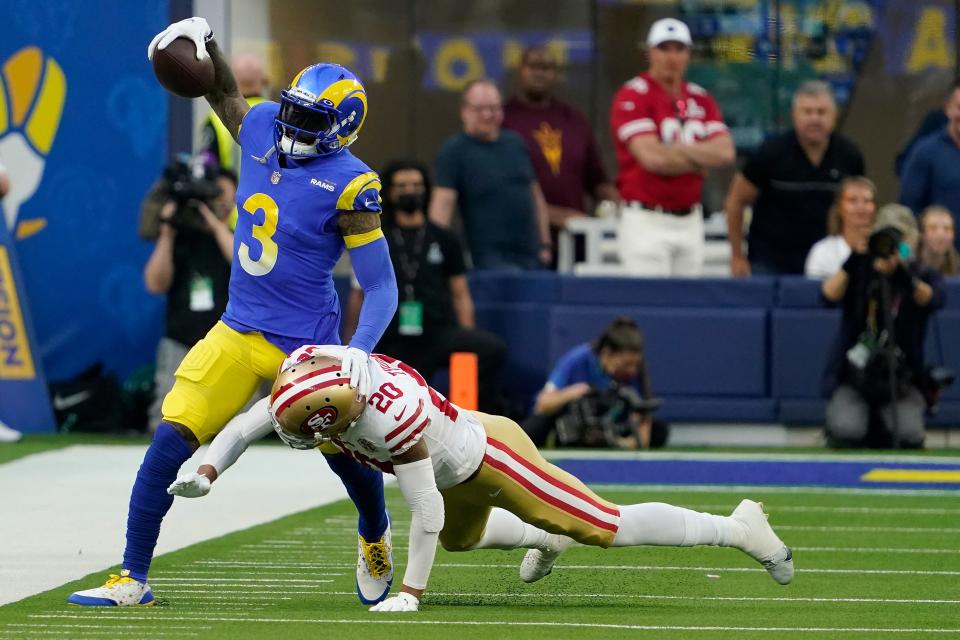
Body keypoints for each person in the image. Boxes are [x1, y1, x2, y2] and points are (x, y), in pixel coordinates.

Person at [68, 17, 398, 607]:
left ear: (340, 131)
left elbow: (381, 287)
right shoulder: (264, 124)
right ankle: (132, 577)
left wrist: (356, 356)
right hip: (237, 328)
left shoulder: (352, 185)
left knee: (344, 460)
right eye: (292, 109)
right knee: (169, 440)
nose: (292, 123)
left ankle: (374, 531)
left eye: (310, 120)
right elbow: (220, 92)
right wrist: (205, 41)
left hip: (306, 349)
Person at [169, 345, 794, 614]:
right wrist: (206, 468)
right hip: (453, 460)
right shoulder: (317, 370)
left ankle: (738, 527)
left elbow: (424, 508)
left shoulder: (388, 421)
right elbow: (250, 421)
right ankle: (543, 538)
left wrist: (410, 592)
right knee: (463, 543)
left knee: (604, 526)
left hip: (491, 455)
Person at [346, 160, 508, 413]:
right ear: (388, 191)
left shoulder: (444, 237)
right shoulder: (377, 237)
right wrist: (352, 342)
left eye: (416, 185)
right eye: (402, 186)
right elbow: (359, 293)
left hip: (438, 332)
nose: (410, 191)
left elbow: (460, 294)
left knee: (491, 348)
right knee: (399, 396)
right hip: (392, 336)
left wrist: (466, 332)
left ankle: (461, 414)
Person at [609, 18, 735, 277]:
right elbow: (653, 159)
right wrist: (700, 159)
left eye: (679, 49)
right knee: (650, 303)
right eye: (664, 48)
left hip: (691, 218)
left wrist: (676, 148)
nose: (671, 56)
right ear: (650, 52)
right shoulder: (633, 94)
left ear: (688, 54)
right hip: (646, 218)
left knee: (686, 306)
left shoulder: (700, 97)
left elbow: (725, 152)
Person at [821, 205, 945, 449]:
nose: (893, 245)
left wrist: (902, 273)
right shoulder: (859, 270)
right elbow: (826, 296)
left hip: (901, 380)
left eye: (900, 238)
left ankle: (881, 427)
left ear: (913, 239)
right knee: (846, 432)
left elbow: (932, 299)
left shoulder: (922, 274)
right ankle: (856, 422)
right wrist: (854, 259)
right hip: (856, 375)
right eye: (887, 237)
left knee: (909, 437)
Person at [726, 81, 866, 276]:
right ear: (794, 115)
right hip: (770, 261)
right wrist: (737, 257)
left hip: (828, 260)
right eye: (807, 112)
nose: (814, 118)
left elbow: (860, 207)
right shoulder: (770, 153)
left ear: (834, 116)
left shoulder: (850, 155)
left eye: (821, 112)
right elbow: (735, 201)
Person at [502, 46, 618, 268]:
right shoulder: (504, 120)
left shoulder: (574, 120)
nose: (539, 73)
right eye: (533, 66)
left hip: (575, 241)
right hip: (523, 242)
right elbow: (500, 192)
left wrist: (617, 204)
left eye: (546, 68)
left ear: (555, 74)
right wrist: (552, 215)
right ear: (520, 71)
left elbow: (597, 181)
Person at [142, 163, 237, 429]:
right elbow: (154, 284)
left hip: (227, 343)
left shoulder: (233, 237)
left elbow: (243, 266)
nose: (219, 202)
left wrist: (216, 224)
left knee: (236, 424)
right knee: (166, 422)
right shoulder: (178, 237)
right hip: (180, 341)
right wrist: (167, 232)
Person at [429, 79, 552, 270]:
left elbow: (535, 196)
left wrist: (545, 244)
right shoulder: (454, 150)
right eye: (479, 109)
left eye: (494, 108)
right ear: (465, 111)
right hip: (487, 258)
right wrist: (435, 253)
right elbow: (443, 205)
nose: (487, 115)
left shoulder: (516, 143)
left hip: (532, 255)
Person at [523, 317, 667, 449]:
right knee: (532, 429)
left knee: (660, 431)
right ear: (607, 353)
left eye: (636, 365)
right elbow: (542, 404)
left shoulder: (636, 373)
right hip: (573, 425)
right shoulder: (577, 359)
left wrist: (624, 442)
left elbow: (642, 422)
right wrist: (575, 392)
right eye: (626, 364)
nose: (632, 371)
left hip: (613, 428)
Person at [900, 83, 960, 251]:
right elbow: (908, 211)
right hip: (938, 263)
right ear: (948, 108)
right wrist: (906, 255)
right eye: (959, 107)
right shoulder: (924, 152)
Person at [198, 53, 268, 172]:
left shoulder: (216, 117)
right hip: (267, 190)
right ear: (265, 81)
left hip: (231, 189)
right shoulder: (278, 114)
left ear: (230, 79)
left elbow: (206, 165)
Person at [804, 177, 877, 279]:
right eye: (853, 200)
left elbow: (904, 253)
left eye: (867, 200)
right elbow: (816, 292)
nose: (861, 207)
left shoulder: (883, 243)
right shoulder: (822, 251)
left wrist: (904, 249)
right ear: (839, 208)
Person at [917, 205, 960, 277]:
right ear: (921, 234)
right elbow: (901, 250)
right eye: (933, 228)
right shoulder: (907, 252)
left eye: (947, 229)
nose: (941, 235)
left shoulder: (957, 264)